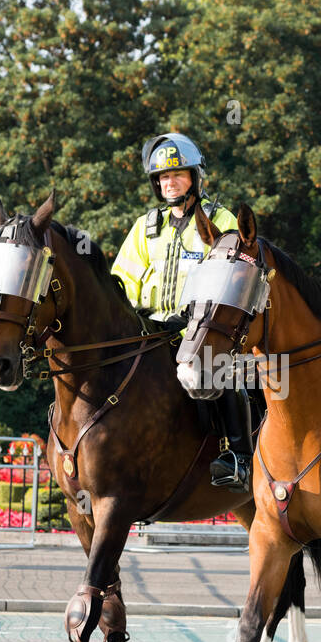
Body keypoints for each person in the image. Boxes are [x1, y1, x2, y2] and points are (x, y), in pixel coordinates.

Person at [110, 132, 253, 492]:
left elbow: (229, 277)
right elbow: (121, 277)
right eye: (162, 177)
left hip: (202, 329)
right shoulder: (146, 226)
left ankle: (238, 457)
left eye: (176, 174)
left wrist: (191, 315)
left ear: (194, 177)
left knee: (226, 371)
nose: (169, 182)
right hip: (147, 330)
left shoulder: (221, 219)